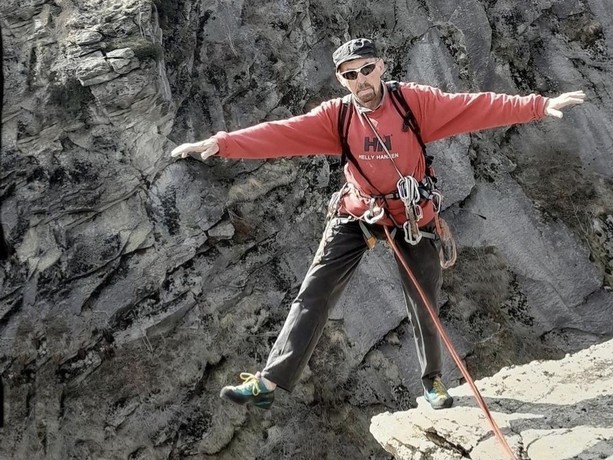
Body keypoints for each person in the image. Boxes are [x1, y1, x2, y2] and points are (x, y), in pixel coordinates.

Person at [171, 38, 585, 410]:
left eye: (367, 69)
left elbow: (472, 106)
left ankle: (433, 382)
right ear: (341, 79)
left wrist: (538, 106)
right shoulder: (337, 117)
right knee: (314, 290)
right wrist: (221, 143)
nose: (361, 80)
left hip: (411, 215)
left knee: (423, 299)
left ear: (381, 66)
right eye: (351, 75)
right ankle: (269, 381)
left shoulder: (413, 104)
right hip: (359, 213)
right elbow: (281, 133)